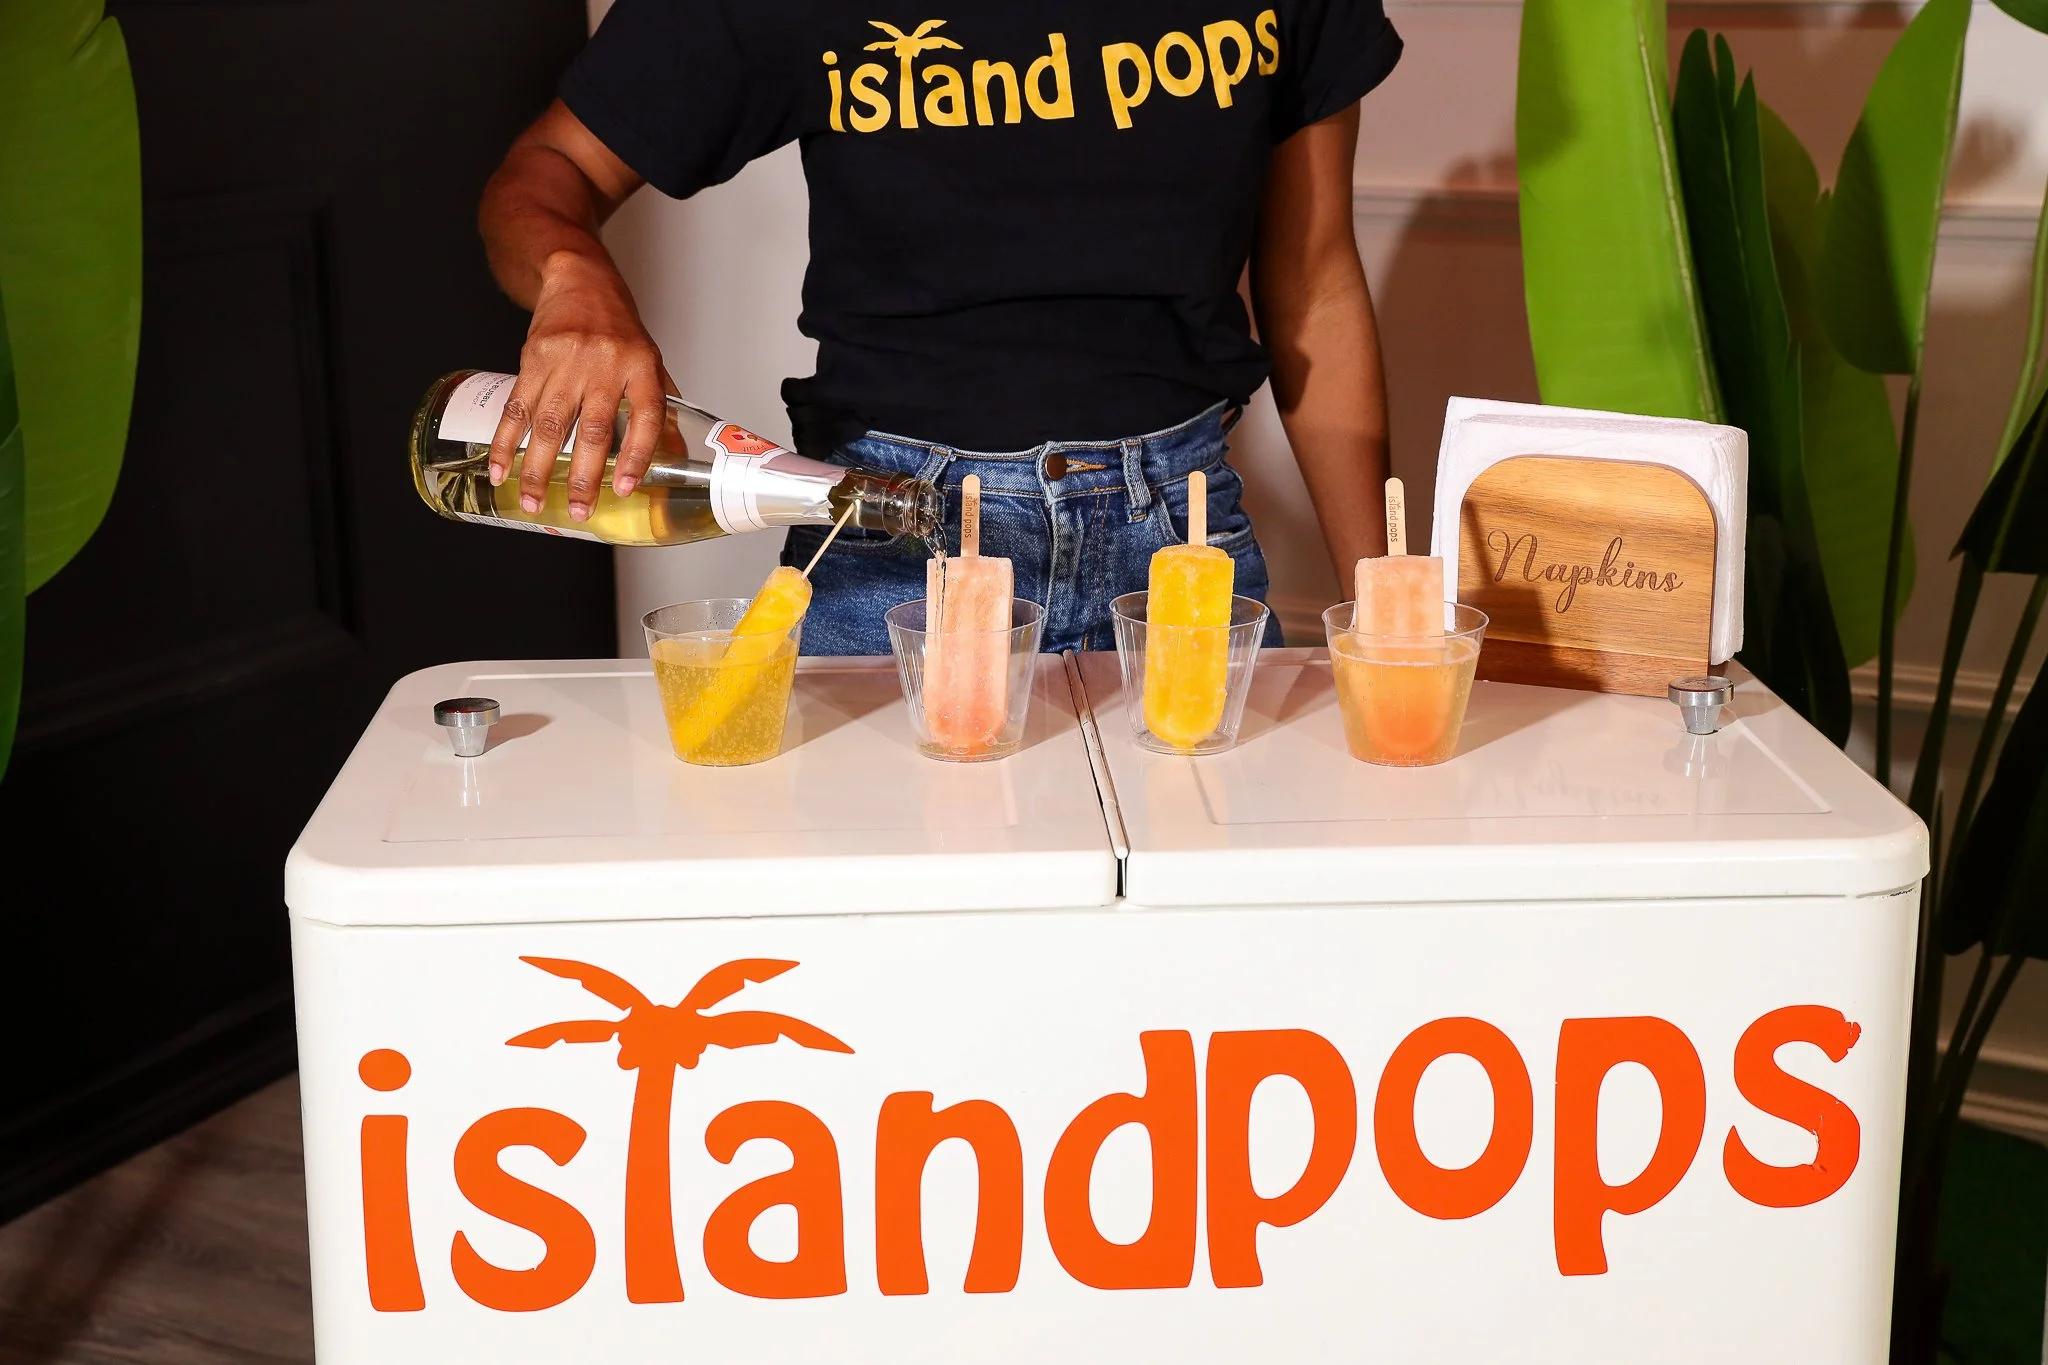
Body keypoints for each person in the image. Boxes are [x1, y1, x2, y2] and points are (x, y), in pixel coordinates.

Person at [479, 2, 1401, 654]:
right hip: (894, 541)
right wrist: (575, 280)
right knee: (880, 928)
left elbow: (1314, 284)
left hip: (1184, 545)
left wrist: (1387, 603)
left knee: (1213, 921)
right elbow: (550, 167)